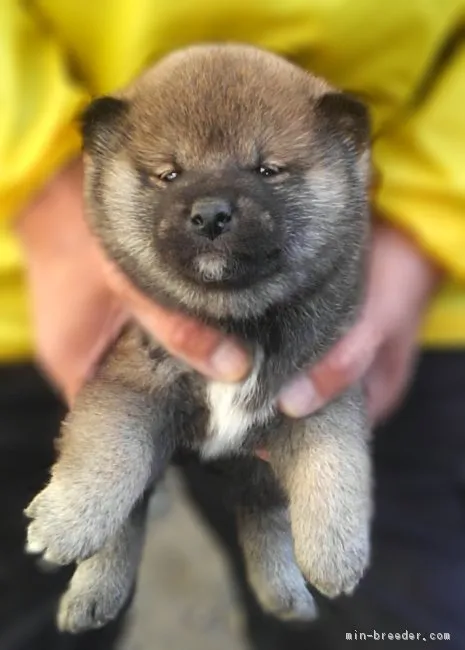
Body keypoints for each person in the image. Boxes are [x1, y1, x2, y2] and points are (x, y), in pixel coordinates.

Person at [2, 1, 465, 648]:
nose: (212, 206)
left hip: (397, 301)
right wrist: (41, 195)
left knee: (395, 625)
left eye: (267, 172)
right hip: (46, 291)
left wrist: (424, 233)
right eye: (170, 175)